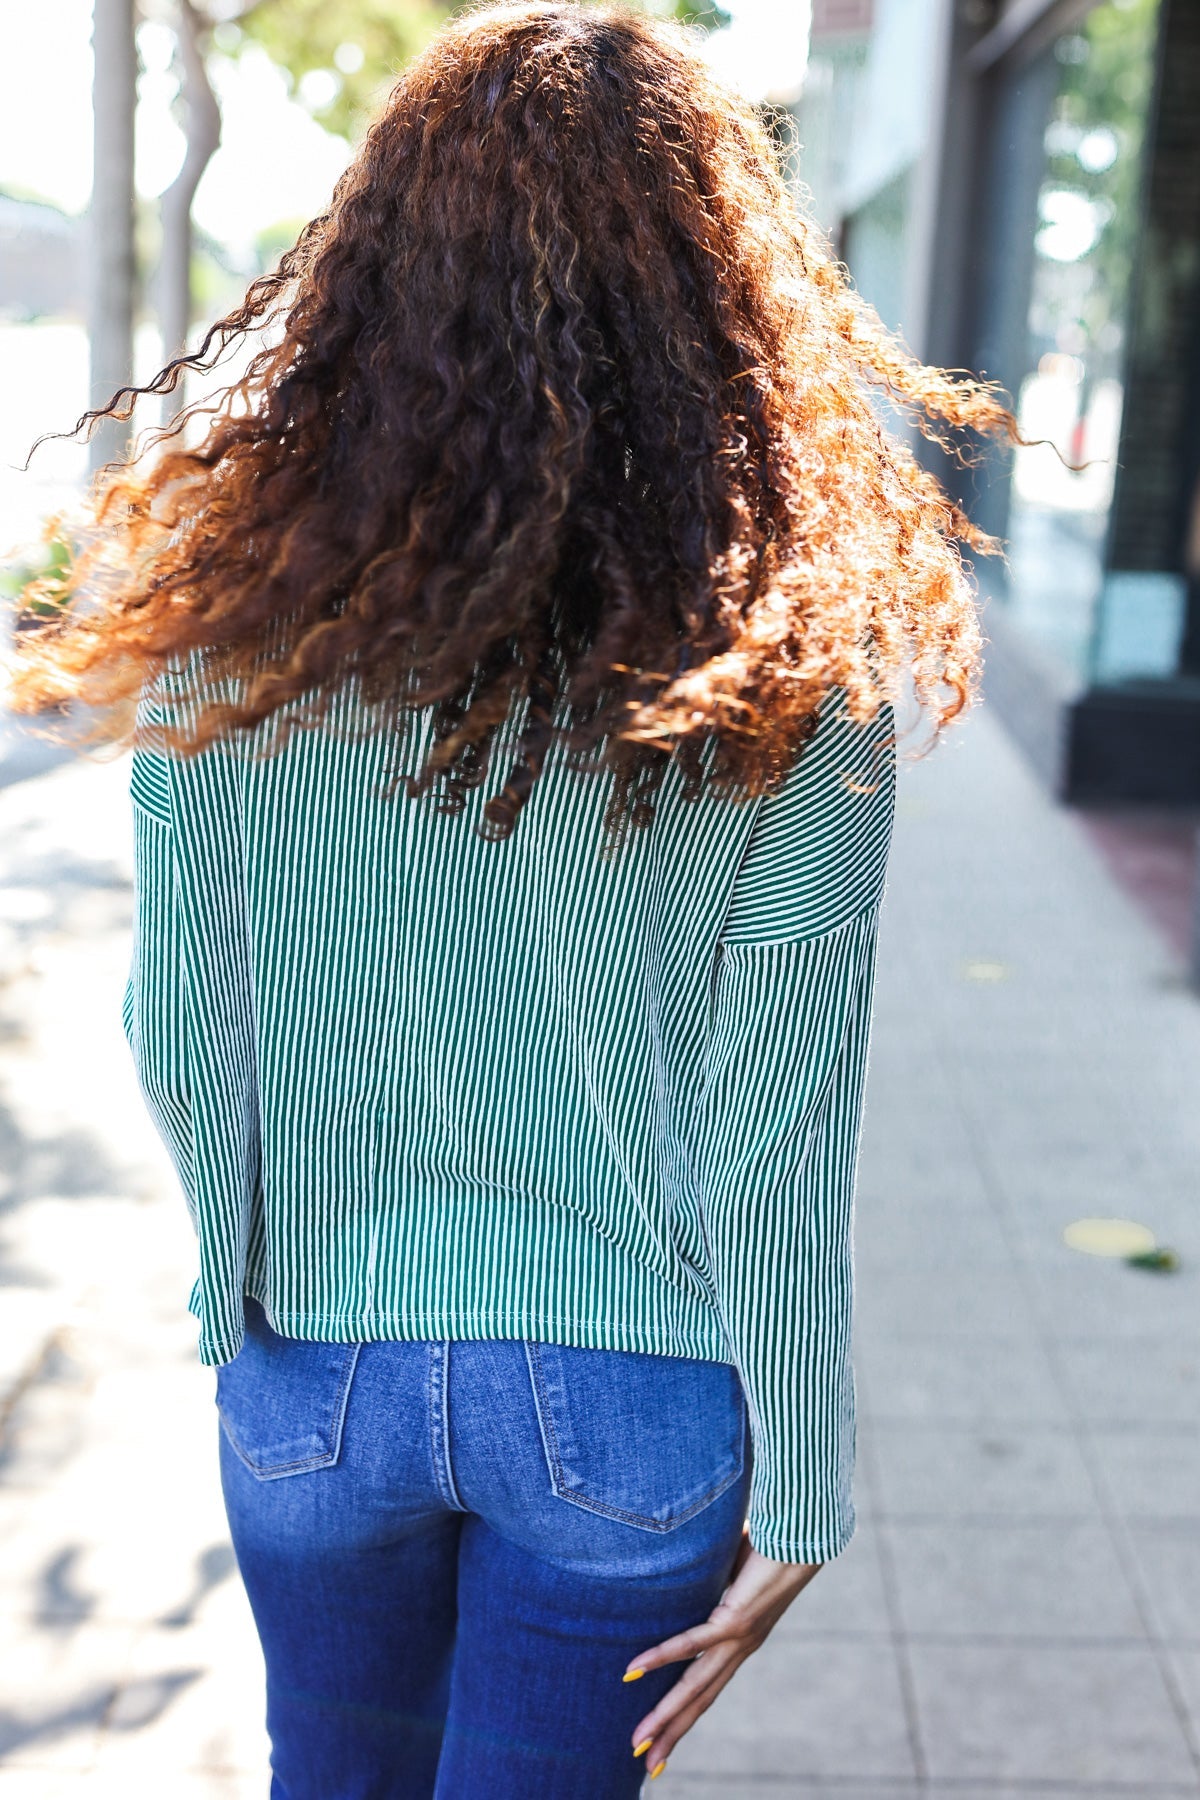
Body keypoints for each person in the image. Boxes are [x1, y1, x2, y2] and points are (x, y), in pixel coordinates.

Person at [7, 5, 1019, 1794]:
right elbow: (779, 1121)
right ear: (725, 280)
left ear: (373, 267)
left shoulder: (241, 625)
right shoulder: (793, 653)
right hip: (635, 1398)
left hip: (315, 1366)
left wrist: (236, 1294)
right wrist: (805, 1471)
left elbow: (179, 1023)